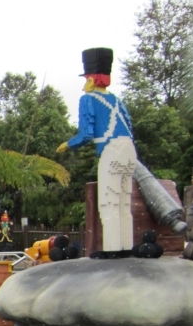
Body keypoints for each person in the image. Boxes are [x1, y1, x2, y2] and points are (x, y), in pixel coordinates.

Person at [58, 47, 136, 255]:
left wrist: (68, 144)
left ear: (91, 80)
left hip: (111, 149)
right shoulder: (118, 100)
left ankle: (112, 249)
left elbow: (86, 134)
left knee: (109, 201)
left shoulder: (88, 99)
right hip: (129, 151)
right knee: (124, 201)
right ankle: (126, 246)